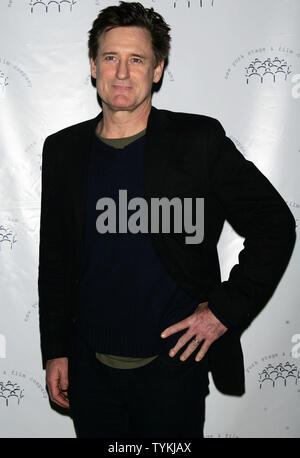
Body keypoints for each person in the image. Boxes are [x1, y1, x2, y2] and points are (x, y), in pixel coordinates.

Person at [38, 2, 296, 439]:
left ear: (157, 70)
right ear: (93, 67)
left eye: (136, 59)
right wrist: (56, 350)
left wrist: (223, 312)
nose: (122, 73)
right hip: (90, 374)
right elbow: (55, 260)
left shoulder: (198, 142)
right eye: (110, 58)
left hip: (172, 373)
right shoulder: (62, 150)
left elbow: (274, 223)